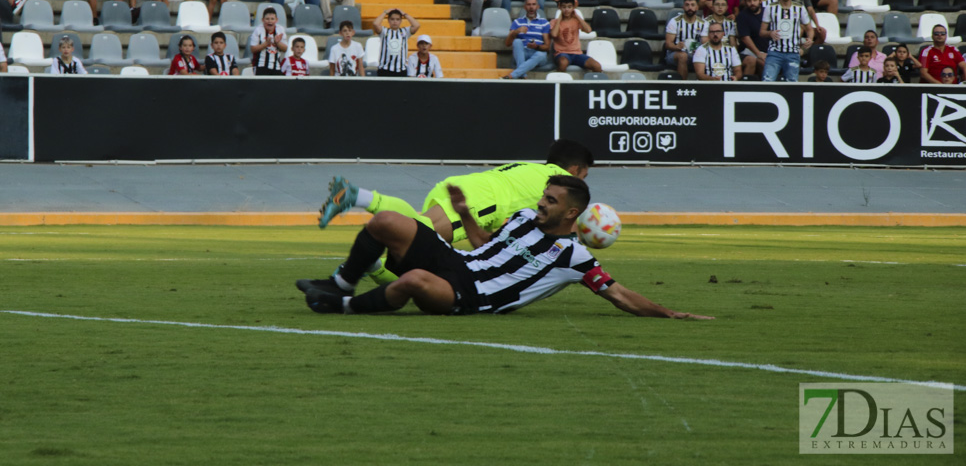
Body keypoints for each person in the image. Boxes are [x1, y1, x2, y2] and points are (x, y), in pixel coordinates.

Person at [300, 175, 714, 320]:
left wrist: (668, 312)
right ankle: (341, 283)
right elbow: (484, 244)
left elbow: (619, 294)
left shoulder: (575, 257)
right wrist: (463, 214)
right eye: (544, 196)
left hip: (472, 295)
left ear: (571, 216)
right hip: (457, 260)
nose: (541, 203)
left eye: (550, 201)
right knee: (385, 221)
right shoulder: (521, 218)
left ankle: (342, 308)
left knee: (413, 280)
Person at [317, 138, 593, 241]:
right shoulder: (562, 183)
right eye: (584, 175)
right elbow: (568, 223)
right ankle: (366, 264)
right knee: (418, 242)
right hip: (482, 202)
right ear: (575, 170)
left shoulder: (530, 168)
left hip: (467, 186)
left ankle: (357, 195)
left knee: (416, 223)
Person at [759, 0, 813, 82]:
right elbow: (761, 32)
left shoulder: (800, 8)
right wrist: (770, 33)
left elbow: (809, 28)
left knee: (792, 83)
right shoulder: (770, 8)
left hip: (793, 52)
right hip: (774, 52)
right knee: (767, 81)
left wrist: (809, 39)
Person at [504, 0, 551, 79]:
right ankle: (522, 75)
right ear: (524, 7)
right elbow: (507, 43)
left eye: (533, 4)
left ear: (538, 6)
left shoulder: (544, 23)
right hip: (522, 53)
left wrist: (536, 46)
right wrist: (515, 32)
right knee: (517, 41)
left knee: (541, 54)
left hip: (537, 53)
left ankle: (513, 75)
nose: (531, 7)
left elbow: (547, 47)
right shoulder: (517, 22)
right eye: (528, 5)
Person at [551, 0, 600, 72]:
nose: (566, 10)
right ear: (560, 7)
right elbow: (554, 34)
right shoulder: (554, 22)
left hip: (577, 53)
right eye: (564, 7)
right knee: (563, 63)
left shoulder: (576, 21)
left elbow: (588, 30)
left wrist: (576, 16)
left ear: (573, 8)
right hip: (562, 54)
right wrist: (560, 18)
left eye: (569, 7)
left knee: (596, 66)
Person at [664, 0, 706, 77]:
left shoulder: (703, 23)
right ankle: (683, 86)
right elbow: (668, 44)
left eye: (692, 5)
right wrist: (676, 47)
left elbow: (705, 43)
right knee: (683, 56)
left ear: (697, 7)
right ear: (683, 7)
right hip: (675, 54)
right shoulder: (674, 21)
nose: (690, 7)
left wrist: (698, 50)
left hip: (696, 54)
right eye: (687, 5)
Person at [373, 8, 421, 76]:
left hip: (401, 69)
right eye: (392, 19)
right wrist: (385, 12)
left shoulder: (405, 31)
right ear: (388, 20)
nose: (395, 21)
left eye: (397, 19)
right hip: (384, 69)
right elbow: (375, 23)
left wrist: (405, 14)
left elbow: (416, 25)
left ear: (401, 21)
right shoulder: (384, 31)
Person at [736, 0, 768, 77]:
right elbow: (745, 38)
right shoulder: (742, 16)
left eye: (755, 0)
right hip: (748, 52)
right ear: (745, 2)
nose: (752, 3)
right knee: (762, 63)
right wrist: (759, 54)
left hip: (768, 50)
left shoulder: (768, 12)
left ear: (760, 0)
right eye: (749, 1)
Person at [248, 6, 288, 76]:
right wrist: (265, 44)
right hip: (260, 65)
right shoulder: (258, 30)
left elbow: (285, 49)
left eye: (272, 19)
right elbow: (253, 49)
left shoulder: (280, 30)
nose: (270, 21)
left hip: (276, 66)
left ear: (276, 20)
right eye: (267, 19)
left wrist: (277, 42)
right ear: (263, 20)